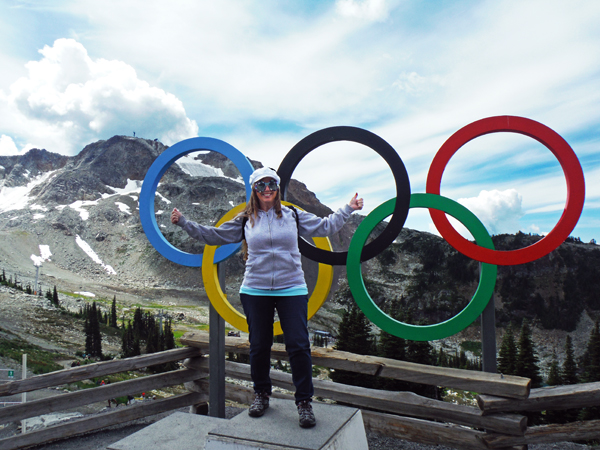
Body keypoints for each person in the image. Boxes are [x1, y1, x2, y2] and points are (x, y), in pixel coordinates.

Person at [171, 167, 363, 428]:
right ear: (254, 189)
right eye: (261, 185)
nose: (267, 190)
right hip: (255, 289)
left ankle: (304, 402)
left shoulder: (293, 214)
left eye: (271, 184)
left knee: (298, 345)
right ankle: (261, 394)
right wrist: (184, 222)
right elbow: (214, 236)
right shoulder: (244, 219)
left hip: (292, 287)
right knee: (259, 346)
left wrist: (348, 208)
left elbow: (325, 226)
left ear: (277, 186)